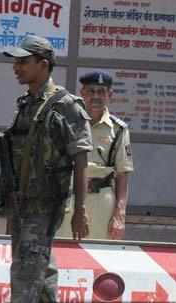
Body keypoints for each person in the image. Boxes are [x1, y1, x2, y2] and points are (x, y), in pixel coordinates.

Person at [0, 35, 92, 303]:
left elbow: (81, 157)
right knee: (38, 277)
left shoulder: (65, 105)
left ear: (44, 64)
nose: (16, 66)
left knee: (25, 277)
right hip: (23, 207)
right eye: (16, 61)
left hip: (45, 205)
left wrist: (80, 209)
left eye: (24, 61)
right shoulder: (27, 103)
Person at [56, 72, 133, 240]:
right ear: (82, 92)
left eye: (101, 92)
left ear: (110, 95)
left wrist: (120, 215)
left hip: (101, 202)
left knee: (100, 256)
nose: (96, 96)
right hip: (68, 199)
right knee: (63, 254)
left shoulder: (118, 129)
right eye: (91, 91)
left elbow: (122, 174)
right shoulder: (67, 123)